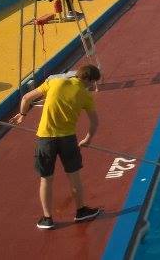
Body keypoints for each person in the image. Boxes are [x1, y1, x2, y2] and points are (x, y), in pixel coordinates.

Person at [10, 65, 103, 230]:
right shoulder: (85, 95)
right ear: (87, 79)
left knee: (46, 179)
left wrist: (22, 115)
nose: (91, 86)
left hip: (45, 139)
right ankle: (81, 211)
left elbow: (26, 98)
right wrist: (88, 139)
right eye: (92, 83)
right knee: (74, 176)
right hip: (68, 139)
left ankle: (47, 219)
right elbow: (95, 122)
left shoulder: (55, 83)